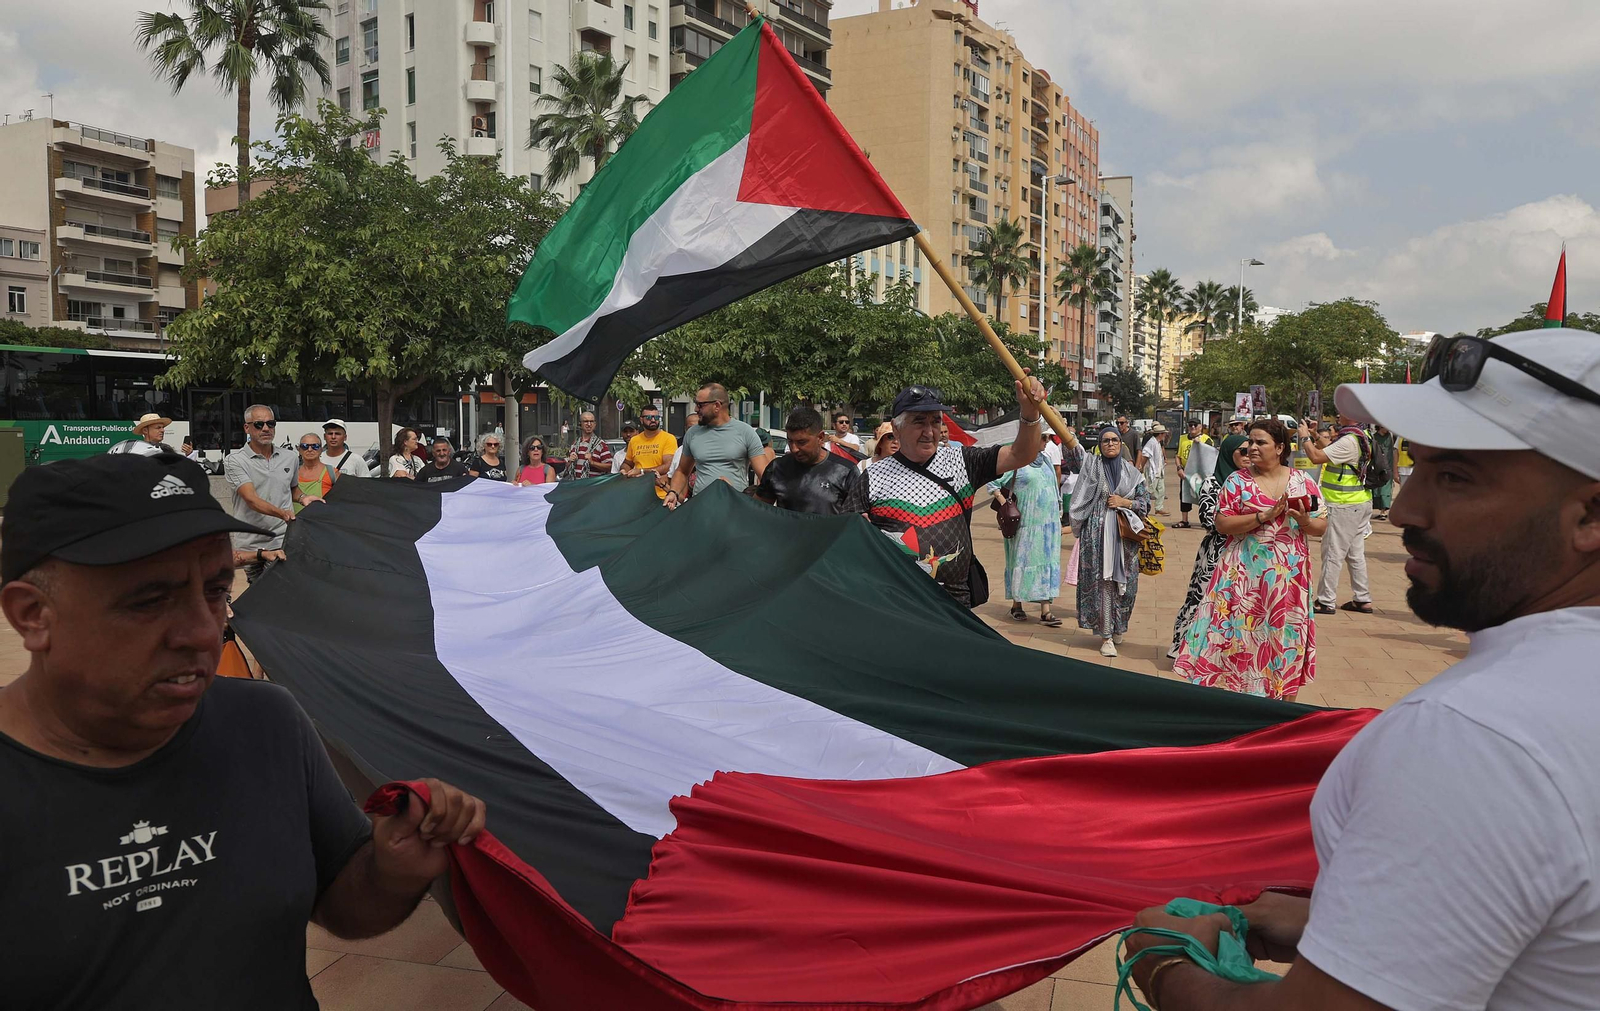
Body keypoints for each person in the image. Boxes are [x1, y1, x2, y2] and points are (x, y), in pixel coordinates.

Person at [1123, 328, 1600, 1011]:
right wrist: (1337, 923)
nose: (1403, 509)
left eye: (1455, 477)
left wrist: (1165, 963)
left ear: (1589, 515)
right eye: (1420, 467)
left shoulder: (1472, 737)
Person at [0, 452, 489, 1009]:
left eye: (215, 590)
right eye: (149, 600)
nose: (203, 632)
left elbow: (342, 901)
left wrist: (392, 871)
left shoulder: (267, 722)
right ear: (32, 614)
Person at [846, 379, 1050, 606]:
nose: (929, 431)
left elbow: (1020, 455)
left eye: (935, 421)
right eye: (919, 422)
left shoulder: (962, 461)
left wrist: (1030, 412)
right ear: (896, 428)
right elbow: (846, 538)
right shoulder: (873, 476)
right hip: (895, 604)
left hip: (954, 605)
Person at [1173, 419, 1326, 698]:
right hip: (1243, 576)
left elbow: (1320, 526)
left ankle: (1282, 706)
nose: (1252, 448)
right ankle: (1240, 702)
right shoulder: (1237, 481)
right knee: (1241, 639)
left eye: (1260, 442)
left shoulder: (1302, 481)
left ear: (1279, 448)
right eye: (1250, 443)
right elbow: (1222, 524)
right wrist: (1262, 516)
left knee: (1285, 639)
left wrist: (1304, 520)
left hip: (1288, 580)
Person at [1069, 426, 1151, 656]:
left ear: (1121, 444)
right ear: (1099, 445)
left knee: (1127, 587)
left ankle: (1118, 626)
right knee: (1103, 584)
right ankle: (1106, 636)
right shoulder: (1091, 467)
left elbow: (1146, 503)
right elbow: (1072, 447)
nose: (1111, 444)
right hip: (1097, 538)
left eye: (1115, 440)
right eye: (1105, 441)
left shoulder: (1132, 473)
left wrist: (1125, 503)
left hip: (1125, 540)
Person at [1167, 434, 1250, 659]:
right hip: (1218, 552)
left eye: (1250, 450)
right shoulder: (1212, 483)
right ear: (1229, 453)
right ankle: (1186, 650)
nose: (1248, 455)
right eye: (1243, 451)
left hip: (1247, 553)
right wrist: (1251, 519)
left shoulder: (1255, 482)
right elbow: (1208, 520)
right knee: (1203, 599)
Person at [1299, 410, 1374, 614]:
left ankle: (1325, 600)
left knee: (1333, 551)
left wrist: (1304, 437)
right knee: (1355, 553)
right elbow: (1331, 451)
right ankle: (1362, 598)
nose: (1337, 414)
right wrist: (1315, 435)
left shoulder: (1349, 440)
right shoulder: (1361, 434)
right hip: (1359, 501)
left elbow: (1316, 457)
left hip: (1343, 504)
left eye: (1341, 410)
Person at [989, 444, 1066, 627]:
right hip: (1025, 524)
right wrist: (1005, 504)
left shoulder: (1046, 460)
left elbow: (1053, 487)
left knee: (1047, 562)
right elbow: (993, 483)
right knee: (1020, 561)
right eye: (1041, 437)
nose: (1045, 441)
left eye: (1046, 437)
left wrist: (1059, 511)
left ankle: (1045, 611)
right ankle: (1017, 604)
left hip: (1048, 525)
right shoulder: (1017, 461)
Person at [224, 404, 298, 584]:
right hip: (252, 545)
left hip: (283, 540)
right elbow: (251, 500)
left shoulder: (290, 457)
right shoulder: (235, 461)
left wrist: (305, 498)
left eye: (270, 423)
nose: (266, 428)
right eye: (259, 424)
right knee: (260, 594)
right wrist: (282, 513)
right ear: (246, 428)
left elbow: (293, 488)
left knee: (281, 591)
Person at [665, 384, 769, 508]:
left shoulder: (746, 432)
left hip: (735, 508)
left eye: (700, 405)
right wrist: (673, 492)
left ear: (717, 406)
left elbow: (765, 476)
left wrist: (754, 502)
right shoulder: (692, 433)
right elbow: (682, 471)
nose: (696, 409)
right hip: (701, 508)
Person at [754, 406, 860, 515]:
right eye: (790, 441)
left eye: (802, 442)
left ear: (820, 437)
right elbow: (758, 512)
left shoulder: (846, 471)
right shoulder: (777, 468)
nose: (794, 449)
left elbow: (856, 518)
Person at [625, 406, 678, 499]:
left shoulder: (669, 438)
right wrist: (624, 471)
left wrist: (642, 471)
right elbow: (627, 463)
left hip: (661, 495)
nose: (653, 420)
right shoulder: (634, 440)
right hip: (637, 494)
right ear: (641, 420)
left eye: (656, 417)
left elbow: (668, 466)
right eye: (649, 417)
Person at [1174, 420, 1211, 528]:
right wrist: (1179, 468)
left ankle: (1206, 519)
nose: (1193, 427)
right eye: (1191, 425)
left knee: (1204, 495)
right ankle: (1184, 520)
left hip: (1201, 473)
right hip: (1186, 473)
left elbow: (1210, 455)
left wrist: (1200, 445)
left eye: (1195, 425)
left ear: (1200, 427)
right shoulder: (1182, 438)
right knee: (1184, 496)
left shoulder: (1206, 439)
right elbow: (1178, 455)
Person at [562, 411, 612, 481]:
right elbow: (566, 468)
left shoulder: (600, 445)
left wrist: (592, 463)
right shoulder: (575, 444)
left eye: (591, 421)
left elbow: (610, 467)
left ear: (595, 424)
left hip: (593, 485)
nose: (589, 424)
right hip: (576, 484)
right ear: (580, 424)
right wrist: (570, 461)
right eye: (586, 421)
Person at [292, 432, 336, 514]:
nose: (309, 449)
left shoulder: (332, 472)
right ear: (299, 450)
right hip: (296, 520)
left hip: (322, 520)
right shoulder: (292, 473)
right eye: (305, 446)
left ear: (321, 449)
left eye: (315, 446)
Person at [1138, 422, 1170, 515]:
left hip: (1159, 470)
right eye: (1164, 433)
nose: (1165, 435)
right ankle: (1143, 507)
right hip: (1152, 471)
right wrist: (1141, 467)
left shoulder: (1157, 442)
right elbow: (1145, 455)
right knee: (1149, 490)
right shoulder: (1151, 442)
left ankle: (1159, 508)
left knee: (1161, 490)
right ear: (1160, 434)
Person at [1370, 423, 1398, 521]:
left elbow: (1395, 451)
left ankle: (1384, 512)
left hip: (1388, 467)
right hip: (1377, 467)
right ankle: (1379, 509)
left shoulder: (1391, 437)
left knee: (1386, 489)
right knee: (1377, 489)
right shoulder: (1374, 437)